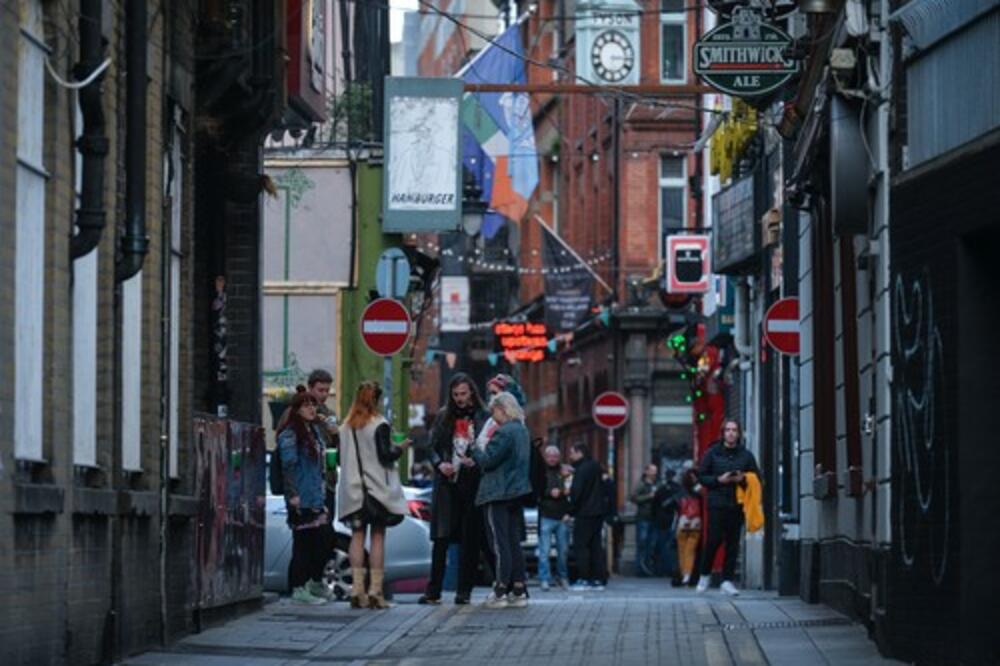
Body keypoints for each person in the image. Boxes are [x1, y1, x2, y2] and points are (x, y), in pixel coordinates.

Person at [419, 373, 491, 605]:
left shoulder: (484, 416)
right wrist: (440, 464)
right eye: (455, 394)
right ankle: (434, 591)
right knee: (441, 539)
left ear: (471, 392)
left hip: (473, 483)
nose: (459, 399)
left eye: (463, 394)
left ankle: (464, 591)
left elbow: (490, 448)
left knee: (470, 540)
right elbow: (430, 446)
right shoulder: (443, 416)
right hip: (447, 484)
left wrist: (477, 462)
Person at [338, 381, 411, 609]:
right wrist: (401, 448)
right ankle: (375, 592)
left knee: (356, 537)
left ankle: (357, 591)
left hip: (353, 492)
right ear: (377, 400)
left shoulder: (345, 427)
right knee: (378, 537)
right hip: (376, 491)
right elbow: (385, 455)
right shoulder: (379, 424)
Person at [467, 392, 532, 609]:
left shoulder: (504, 432)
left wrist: (474, 446)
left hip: (497, 492)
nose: (492, 417)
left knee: (499, 542)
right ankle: (519, 589)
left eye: (494, 411)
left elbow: (487, 461)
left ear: (503, 409)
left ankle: (500, 590)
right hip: (516, 492)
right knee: (514, 542)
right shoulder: (522, 430)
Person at [277, 390, 334, 605]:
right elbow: (288, 466)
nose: (312, 409)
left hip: (315, 497)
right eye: (306, 405)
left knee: (324, 539)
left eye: (314, 405)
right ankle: (300, 588)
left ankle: (312, 582)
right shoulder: (291, 434)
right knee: (303, 544)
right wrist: (292, 496)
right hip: (301, 498)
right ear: (297, 409)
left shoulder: (314, 432)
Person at [696, 419, 760, 596]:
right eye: (728, 430)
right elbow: (701, 476)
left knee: (733, 543)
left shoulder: (746, 455)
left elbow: (757, 478)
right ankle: (704, 574)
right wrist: (718, 480)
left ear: (739, 434)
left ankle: (727, 580)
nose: (731, 433)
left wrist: (744, 479)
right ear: (723, 433)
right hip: (716, 503)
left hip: (737, 504)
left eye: (734, 430)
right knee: (713, 540)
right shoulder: (712, 453)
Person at [568, 443, 606, 591]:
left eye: (572, 453)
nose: (570, 456)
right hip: (598, 512)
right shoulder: (596, 466)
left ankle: (584, 578)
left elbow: (577, 492)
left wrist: (570, 510)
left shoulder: (581, 469)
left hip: (584, 513)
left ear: (580, 453)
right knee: (595, 546)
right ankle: (598, 579)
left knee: (581, 547)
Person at [536, 445, 571, 590]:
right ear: (545, 457)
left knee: (563, 551)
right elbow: (536, 490)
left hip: (562, 516)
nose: (552, 459)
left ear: (559, 457)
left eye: (555, 456)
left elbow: (571, 491)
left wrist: (562, 492)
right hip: (546, 515)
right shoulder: (540, 471)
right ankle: (544, 578)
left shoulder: (565, 472)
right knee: (544, 551)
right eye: (550, 456)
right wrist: (549, 493)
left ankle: (562, 577)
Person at [675, 462, 703, 586]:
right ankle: (687, 574)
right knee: (690, 550)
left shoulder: (681, 489)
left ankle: (684, 574)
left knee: (682, 550)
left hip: (683, 521)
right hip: (696, 521)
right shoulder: (699, 489)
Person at [650, 468, 681, 579]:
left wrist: (654, 517)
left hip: (660, 520)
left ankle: (662, 569)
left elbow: (654, 505)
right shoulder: (678, 489)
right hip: (674, 519)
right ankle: (673, 569)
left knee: (662, 545)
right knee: (673, 546)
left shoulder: (660, 488)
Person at [629, 463, 659, 577]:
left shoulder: (656, 484)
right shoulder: (641, 484)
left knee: (651, 544)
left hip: (654, 517)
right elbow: (633, 497)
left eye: (655, 471)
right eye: (652, 471)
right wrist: (648, 496)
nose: (654, 473)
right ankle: (640, 569)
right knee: (642, 543)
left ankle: (648, 568)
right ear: (646, 472)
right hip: (643, 517)